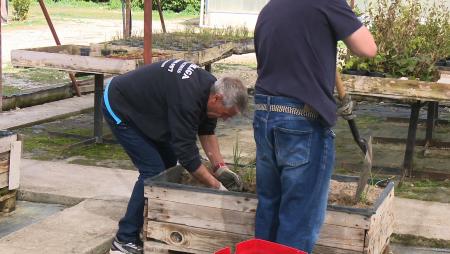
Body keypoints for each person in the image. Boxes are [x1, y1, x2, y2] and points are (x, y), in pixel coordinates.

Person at [252, 0, 377, 252]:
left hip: (265, 115)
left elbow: (294, 56)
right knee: (298, 218)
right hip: (300, 121)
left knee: (269, 207)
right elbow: (368, 48)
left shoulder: (271, 7)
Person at [103, 59, 247, 254]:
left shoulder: (209, 87)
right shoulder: (187, 99)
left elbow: (207, 130)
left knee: (168, 165)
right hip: (121, 106)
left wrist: (220, 167)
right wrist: (216, 187)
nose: (226, 119)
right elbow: (187, 155)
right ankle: (124, 240)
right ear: (217, 99)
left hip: (149, 107)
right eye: (227, 114)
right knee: (152, 171)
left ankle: (153, 220)